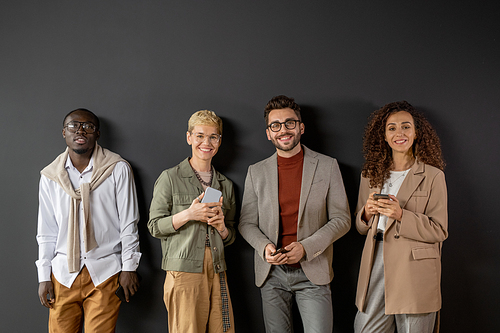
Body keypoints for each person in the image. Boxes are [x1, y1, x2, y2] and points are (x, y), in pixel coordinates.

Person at [239, 95, 351, 333]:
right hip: (271, 275)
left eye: (290, 123)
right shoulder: (255, 172)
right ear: (268, 133)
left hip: (313, 272)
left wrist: (306, 248)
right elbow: (246, 223)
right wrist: (264, 248)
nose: (283, 130)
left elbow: (342, 219)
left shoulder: (327, 166)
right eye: (275, 125)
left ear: (301, 127)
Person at [36, 108, 141, 333]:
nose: (80, 130)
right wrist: (43, 276)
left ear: (97, 134)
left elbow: (129, 222)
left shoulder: (117, 169)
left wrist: (129, 267)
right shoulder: (50, 176)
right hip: (63, 275)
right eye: (74, 125)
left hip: (105, 271)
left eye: (88, 126)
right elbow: (46, 231)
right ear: (64, 132)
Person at [353, 101, 448, 333]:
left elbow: (439, 230)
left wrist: (401, 215)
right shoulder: (370, 174)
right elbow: (360, 225)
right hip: (376, 259)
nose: (399, 133)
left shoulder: (433, 176)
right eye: (392, 128)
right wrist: (366, 212)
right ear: (384, 136)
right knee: (365, 328)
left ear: (416, 134)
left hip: (414, 265)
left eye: (406, 127)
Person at [148, 110, 236, 333]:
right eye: (199, 136)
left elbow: (232, 234)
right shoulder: (170, 177)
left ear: (219, 141)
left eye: (213, 137)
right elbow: (154, 226)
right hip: (184, 270)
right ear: (189, 138)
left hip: (217, 268)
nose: (206, 142)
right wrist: (189, 214)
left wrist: (222, 228)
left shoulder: (225, 184)